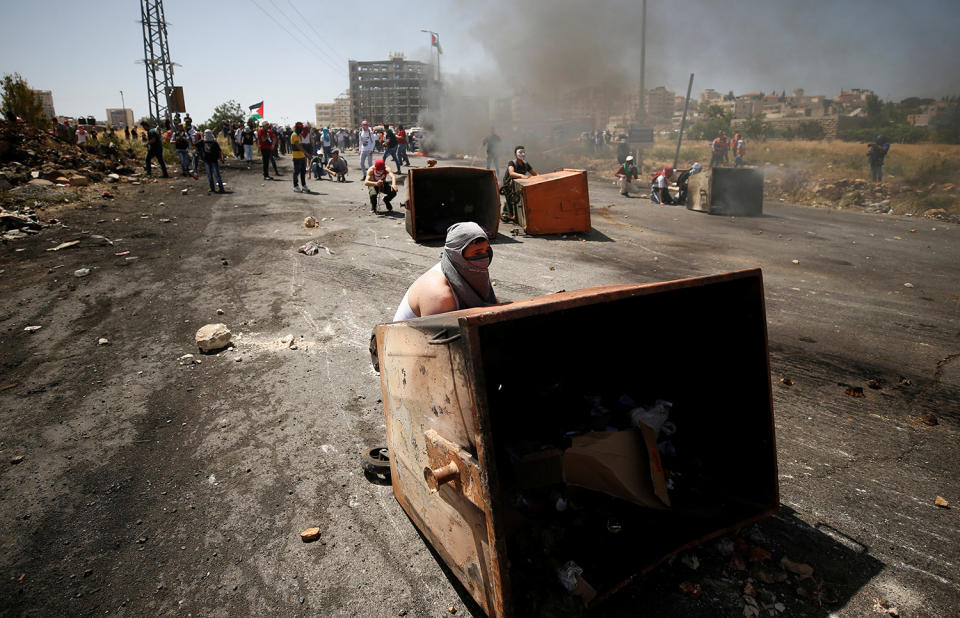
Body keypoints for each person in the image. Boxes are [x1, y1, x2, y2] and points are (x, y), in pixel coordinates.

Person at [393, 222, 497, 321]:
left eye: (486, 250)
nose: (485, 258)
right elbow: (437, 337)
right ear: (456, 255)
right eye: (477, 253)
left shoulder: (470, 272)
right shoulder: (439, 294)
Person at [501, 145, 537, 222]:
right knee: (511, 201)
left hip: (518, 185)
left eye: (523, 152)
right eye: (520, 152)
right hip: (509, 184)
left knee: (520, 200)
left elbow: (535, 174)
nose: (522, 154)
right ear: (515, 154)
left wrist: (543, 178)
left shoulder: (526, 164)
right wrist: (521, 175)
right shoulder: (512, 163)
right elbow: (511, 173)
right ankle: (509, 214)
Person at [290, 122, 310, 193]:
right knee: (296, 172)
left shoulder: (299, 135)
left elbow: (301, 145)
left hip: (302, 156)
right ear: (296, 128)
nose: (301, 129)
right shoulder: (294, 135)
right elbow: (298, 146)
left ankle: (304, 185)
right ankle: (295, 186)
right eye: (300, 128)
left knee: (303, 172)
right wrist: (306, 153)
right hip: (297, 157)